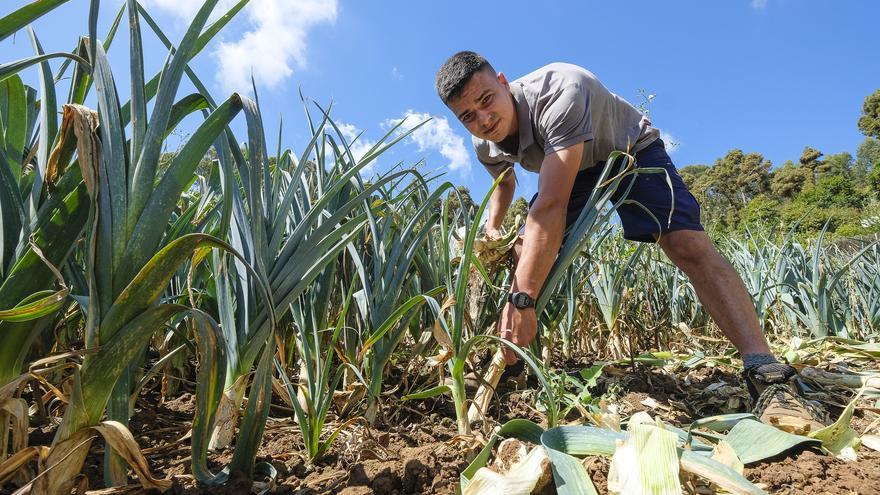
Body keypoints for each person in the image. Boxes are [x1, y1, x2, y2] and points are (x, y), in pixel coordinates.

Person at [434, 51, 824, 428]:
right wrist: (493, 227)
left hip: (628, 149)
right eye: (468, 115)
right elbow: (504, 181)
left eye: (488, 100)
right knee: (522, 253)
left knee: (684, 244)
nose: (483, 119)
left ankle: (766, 371)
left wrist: (523, 298)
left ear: (503, 83)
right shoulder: (482, 140)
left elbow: (551, 205)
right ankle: (511, 369)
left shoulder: (558, 90)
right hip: (572, 166)